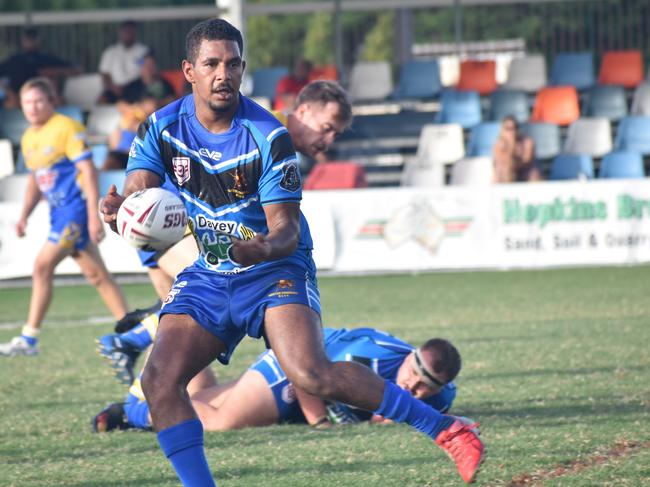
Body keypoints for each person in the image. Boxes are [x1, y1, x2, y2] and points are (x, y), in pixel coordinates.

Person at [99, 19, 483, 485]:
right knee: (160, 383)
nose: (224, 73)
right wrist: (123, 208)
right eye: (212, 63)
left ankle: (449, 430)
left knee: (311, 374)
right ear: (189, 71)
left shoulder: (267, 136)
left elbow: (286, 230)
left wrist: (258, 248)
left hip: (274, 270)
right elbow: (141, 186)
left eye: (234, 64)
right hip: (212, 272)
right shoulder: (161, 126)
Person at [96, 78, 354, 385]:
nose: (328, 139)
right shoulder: (265, 128)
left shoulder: (268, 134)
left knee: (192, 370)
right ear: (305, 110)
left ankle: (139, 379)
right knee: (215, 295)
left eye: (336, 134)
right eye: (326, 127)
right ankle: (132, 345)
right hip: (168, 227)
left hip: (173, 228)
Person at [93, 327, 461, 433]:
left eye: (428, 386)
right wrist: (320, 421)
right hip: (288, 368)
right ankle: (134, 412)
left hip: (301, 371)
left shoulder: (440, 398)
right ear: (410, 356)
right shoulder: (367, 359)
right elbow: (308, 372)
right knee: (220, 421)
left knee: (205, 398)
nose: (415, 388)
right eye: (414, 375)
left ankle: (171, 366)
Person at [0, 77, 129, 357]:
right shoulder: (29, 137)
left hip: (75, 212)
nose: (32, 107)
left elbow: (88, 171)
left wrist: (94, 216)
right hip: (58, 214)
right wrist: (24, 214)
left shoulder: (66, 127)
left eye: (38, 101)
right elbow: (36, 180)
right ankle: (131, 332)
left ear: (51, 102)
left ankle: (29, 339)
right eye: (27, 102)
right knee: (98, 276)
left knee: (41, 267)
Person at [0, 27, 79, 108]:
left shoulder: (46, 59)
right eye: (28, 38)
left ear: (39, 40)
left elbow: (76, 70)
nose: (30, 41)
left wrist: (51, 72)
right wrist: (8, 91)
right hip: (16, 98)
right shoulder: (14, 60)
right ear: (23, 40)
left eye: (33, 38)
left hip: (42, 95)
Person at [98, 21, 150, 104]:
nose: (128, 35)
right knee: (101, 101)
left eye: (131, 32)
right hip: (114, 88)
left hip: (136, 87)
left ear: (135, 33)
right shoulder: (110, 52)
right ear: (120, 33)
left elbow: (147, 72)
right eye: (126, 32)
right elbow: (105, 74)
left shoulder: (143, 51)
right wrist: (112, 87)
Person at [492, 115, 542, 183]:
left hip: (523, 171)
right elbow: (504, 162)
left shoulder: (527, 142)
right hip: (507, 173)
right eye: (508, 128)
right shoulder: (498, 144)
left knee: (534, 174)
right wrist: (511, 145)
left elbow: (527, 161)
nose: (512, 132)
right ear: (502, 130)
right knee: (503, 171)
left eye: (514, 128)